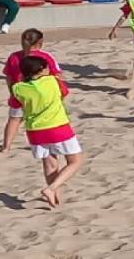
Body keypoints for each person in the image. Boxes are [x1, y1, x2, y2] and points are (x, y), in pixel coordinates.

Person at [12, 56, 82, 208]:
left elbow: (15, 102)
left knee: (50, 164)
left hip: (35, 130)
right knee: (75, 161)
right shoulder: (52, 81)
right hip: (58, 127)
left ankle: (55, 199)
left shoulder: (18, 88)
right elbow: (65, 92)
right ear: (42, 70)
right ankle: (52, 188)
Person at [1, 29, 62, 153]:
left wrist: (12, 92)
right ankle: (50, 144)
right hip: (42, 97)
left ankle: (6, 147)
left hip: (20, 94)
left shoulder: (14, 57)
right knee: (46, 120)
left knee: (14, 119)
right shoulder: (45, 57)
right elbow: (57, 75)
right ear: (40, 42)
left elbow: (9, 77)